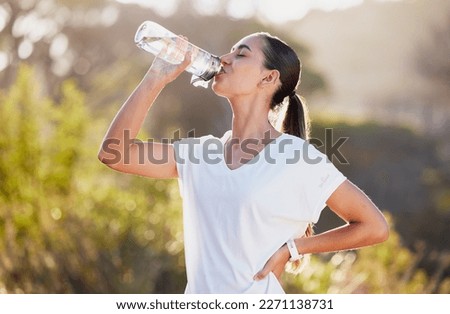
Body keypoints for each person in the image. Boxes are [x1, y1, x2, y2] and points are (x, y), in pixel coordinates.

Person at [98, 32, 389, 294]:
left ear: (268, 78)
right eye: (230, 52)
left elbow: (374, 227)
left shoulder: (297, 157)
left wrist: (294, 248)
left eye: (241, 54)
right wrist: (155, 77)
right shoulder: (201, 153)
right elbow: (114, 153)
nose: (224, 59)